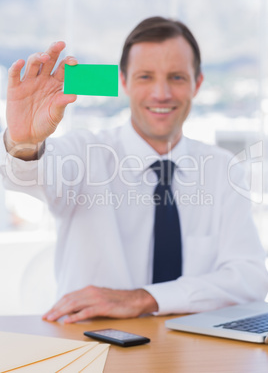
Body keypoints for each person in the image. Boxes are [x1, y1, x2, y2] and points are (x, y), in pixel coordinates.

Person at [0, 16, 267, 324]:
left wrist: (144, 298)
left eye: (177, 77)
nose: (161, 93)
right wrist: (24, 141)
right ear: (124, 82)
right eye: (145, 77)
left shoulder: (221, 168)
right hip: (92, 348)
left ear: (198, 83)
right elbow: (27, 176)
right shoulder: (85, 154)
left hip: (192, 351)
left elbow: (250, 278)